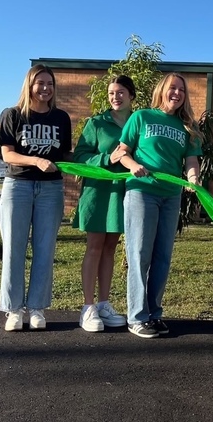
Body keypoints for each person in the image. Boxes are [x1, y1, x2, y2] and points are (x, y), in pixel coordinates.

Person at [117, 73, 203, 339]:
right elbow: (122, 152)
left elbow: (191, 160)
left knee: (162, 257)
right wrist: (133, 165)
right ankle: (137, 317)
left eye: (182, 90)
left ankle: (154, 313)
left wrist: (193, 179)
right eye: (172, 88)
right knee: (139, 254)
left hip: (170, 196)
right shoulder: (141, 117)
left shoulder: (187, 127)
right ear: (162, 90)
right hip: (142, 192)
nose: (177, 93)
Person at [0, 64, 72, 331]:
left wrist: (96, 159)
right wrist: (36, 160)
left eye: (50, 84)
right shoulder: (13, 115)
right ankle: (14, 310)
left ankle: (37, 308)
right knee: (13, 249)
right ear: (29, 85)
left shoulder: (61, 118)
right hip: (18, 187)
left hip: (50, 190)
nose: (45, 88)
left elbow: (65, 155)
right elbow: (8, 154)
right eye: (40, 83)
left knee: (45, 250)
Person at [71, 75, 136, 332]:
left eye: (120, 92)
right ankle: (87, 307)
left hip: (124, 193)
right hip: (98, 193)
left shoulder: (139, 122)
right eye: (111, 93)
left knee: (110, 248)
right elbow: (80, 157)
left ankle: (103, 304)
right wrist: (108, 158)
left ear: (131, 95)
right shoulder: (96, 123)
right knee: (95, 247)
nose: (115, 97)